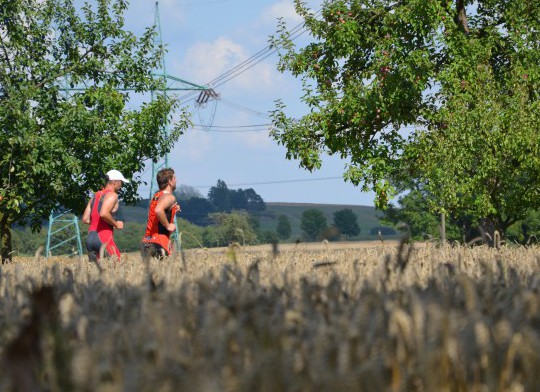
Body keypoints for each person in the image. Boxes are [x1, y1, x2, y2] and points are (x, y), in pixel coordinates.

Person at [82, 169, 129, 262]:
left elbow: (85, 219)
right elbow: (103, 213)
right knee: (117, 268)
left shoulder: (95, 196)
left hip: (90, 238)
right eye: (121, 182)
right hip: (103, 237)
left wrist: (107, 222)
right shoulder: (112, 195)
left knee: (96, 273)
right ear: (115, 182)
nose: (121, 185)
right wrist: (115, 224)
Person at [141, 168, 180, 259]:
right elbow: (158, 210)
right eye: (174, 178)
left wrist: (172, 211)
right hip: (159, 241)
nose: (176, 180)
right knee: (169, 272)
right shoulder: (169, 196)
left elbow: (155, 215)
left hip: (147, 241)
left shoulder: (156, 196)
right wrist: (168, 225)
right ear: (170, 181)